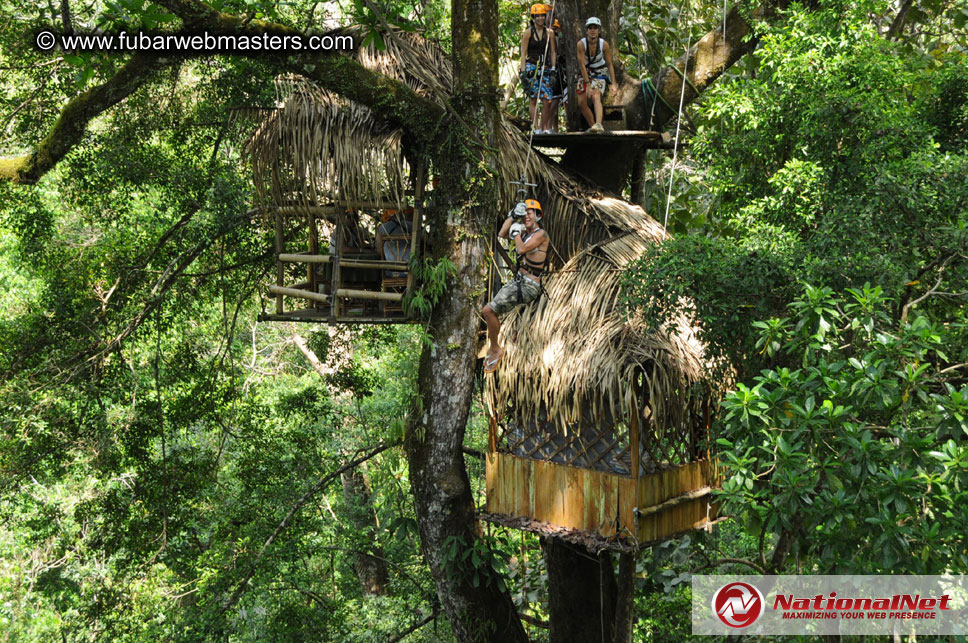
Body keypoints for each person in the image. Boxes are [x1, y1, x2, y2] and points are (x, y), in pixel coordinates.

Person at [482, 199, 549, 373]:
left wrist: (517, 233)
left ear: (537, 215)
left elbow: (521, 250)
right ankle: (494, 346)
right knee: (489, 311)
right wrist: (512, 216)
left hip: (528, 285)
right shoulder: (525, 233)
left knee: (488, 311)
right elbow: (502, 233)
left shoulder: (541, 234)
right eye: (524, 213)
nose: (527, 216)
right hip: (519, 280)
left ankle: (495, 348)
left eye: (530, 212)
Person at [519, 4, 557, 134]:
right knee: (533, 98)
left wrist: (553, 68)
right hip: (532, 67)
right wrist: (523, 72)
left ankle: (544, 127)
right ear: (533, 17)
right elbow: (523, 53)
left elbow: (552, 52)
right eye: (538, 16)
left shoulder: (550, 33)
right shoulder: (528, 33)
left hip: (545, 67)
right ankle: (536, 129)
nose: (540, 18)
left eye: (542, 15)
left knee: (548, 99)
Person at [576, 16, 618, 132]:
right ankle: (593, 126)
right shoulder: (581, 44)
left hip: (600, 71)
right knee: (581, 103)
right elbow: (582, 65)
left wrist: (614, 83)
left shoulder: (604, 44)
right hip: (585, 72)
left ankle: (599, 124)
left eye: (595, 28)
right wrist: (587, 84)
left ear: (599, 30)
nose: (593, 30)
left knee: (596, 95)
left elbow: (609, 64)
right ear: (586, 30)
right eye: (590, 28)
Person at [376, 208, 412, 277]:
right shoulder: (411, 226)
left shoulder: (382, 228)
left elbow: (379, 250)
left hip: (390, 270)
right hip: (409, 270)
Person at [549, 18, 566, 133]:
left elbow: (561, 46)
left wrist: (559, 32)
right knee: (553, 98)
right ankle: (548, 125)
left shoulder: (558, 36)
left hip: (559, 67)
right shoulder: (548, 36)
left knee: (557, 98)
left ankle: (554, 128)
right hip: (551, 68)